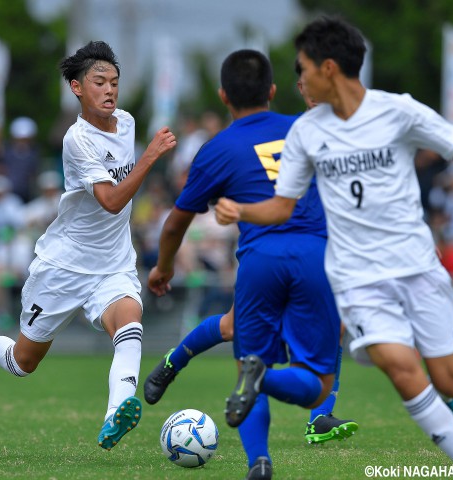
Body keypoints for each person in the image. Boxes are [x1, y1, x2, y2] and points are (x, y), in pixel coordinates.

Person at [214, 16, 453, 480]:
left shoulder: (398, 111)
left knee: (449, 378)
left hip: (417, 267)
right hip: (358, 279)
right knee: (402, 369)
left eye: (303, 67)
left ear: (329, 68)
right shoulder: (306, 133)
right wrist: (241, 212)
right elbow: (282, 207)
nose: (299, 79)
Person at [0, 41, 177, 451]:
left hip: (114, 262)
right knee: (23, 362)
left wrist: (145, 154)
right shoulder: (77, 140)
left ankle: (115, 415)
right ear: (76, 87)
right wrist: (150, 157)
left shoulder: (125, 122)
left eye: (115, 83)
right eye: (99, 82)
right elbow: (110, 201)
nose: (110, 90)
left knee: (130, 324)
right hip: (64, 265)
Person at [145, 49, 353, 479]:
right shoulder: (303, 129)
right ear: (274, 90)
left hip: (261, 261)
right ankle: (178, 364)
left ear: (223, 95)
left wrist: (163, 267)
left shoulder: (217, 148)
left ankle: (259, 461)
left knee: (241, 342)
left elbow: (174, 224)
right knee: (312, 381)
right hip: (315, 255)